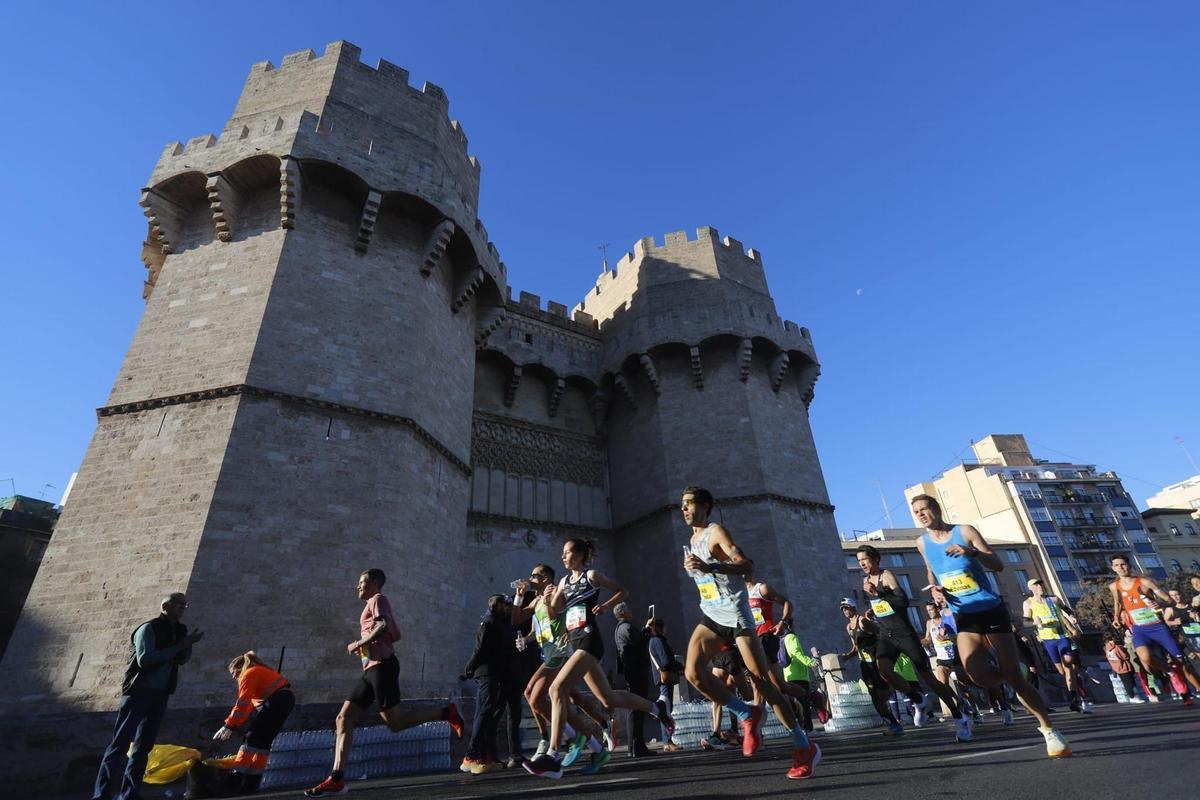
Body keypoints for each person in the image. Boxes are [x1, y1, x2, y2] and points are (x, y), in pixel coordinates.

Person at [912, 494, 1071, 758]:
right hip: (964, 615)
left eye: (924, 509)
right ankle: (1011, 672)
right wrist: (936, 590)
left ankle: (1049, 729)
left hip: (989, 608)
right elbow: (931, 569)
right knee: (977, 675)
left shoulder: (964, 531)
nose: (920, 515)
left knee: (1017, 681)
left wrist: (972, 552)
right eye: (916, 512)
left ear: (936, 509)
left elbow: (998, 564)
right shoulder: (922, 543)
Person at [678, 486, 820, 780]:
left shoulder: (716, 532)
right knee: (692, 673)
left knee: (763, 683)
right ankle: (746, 713)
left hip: (737, 616)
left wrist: (710, 565)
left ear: (705, 506)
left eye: (689, 504)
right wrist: (697, 568)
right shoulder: (691, 540)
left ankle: (804, 745)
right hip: (712, 615)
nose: (684, 509)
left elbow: (746, 565)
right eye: (681, 505)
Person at [305, 569, 463, 797]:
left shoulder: (378, 599)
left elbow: (384, 627)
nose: (357, 586)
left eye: (362, 582)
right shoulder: (371, 603)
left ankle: (446, 713)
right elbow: (392, 632)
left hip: (383, 666)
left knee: (395, 723)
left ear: (375, 584)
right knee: (343, 718)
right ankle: (336, 778)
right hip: (371, 669)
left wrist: (359, 642)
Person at [523, 539, 673, 779]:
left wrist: (604, 606)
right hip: (573, 641)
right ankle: (658, 708)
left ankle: (552, 756)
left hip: (590, 640)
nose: (563, 557)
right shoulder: (562, 582)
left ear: (581, 555)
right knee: (608, 697)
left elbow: (623, 591)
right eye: (562, 553)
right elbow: (554, 614)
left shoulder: (591, 575)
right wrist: (550, 599)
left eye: (568, 552)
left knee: (556, 689)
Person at [93, 592, 204, 800]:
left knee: (143, 748)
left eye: (185, 605)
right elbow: (146, 660)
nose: (183, 608)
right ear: (166, 605)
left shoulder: (180, 630)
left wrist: (187, 645)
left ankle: (130, 794)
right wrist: (180, 645)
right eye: (179, 604)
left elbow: (180, 660)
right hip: (139, 691)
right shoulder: (148, 628)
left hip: (161, 693)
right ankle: (101, 795)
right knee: (119, 745)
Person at [856, 544, 969, 740]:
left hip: (904, 634)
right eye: (859, 561)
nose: (862, 564)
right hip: (885, 635)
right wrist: (874, 610)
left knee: (930, 679)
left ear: (875, 559)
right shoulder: (866, 582)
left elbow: (903, 601)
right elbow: (884, 606)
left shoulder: (887, 576)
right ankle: (917, 698)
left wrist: (880, 594)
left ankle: (960, 717)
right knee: (884, 671)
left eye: (865, 559)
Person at [511, 565, 609, 772]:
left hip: (561, 652)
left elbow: (557, 614)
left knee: (534, 695)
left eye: (534, 575)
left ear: (545, 578)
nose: (530, 578)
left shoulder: (555, 592)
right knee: (559, 699)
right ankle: (594, 745)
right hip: (548, 654)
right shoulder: (536, 600)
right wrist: (519, 598)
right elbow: (516, 620)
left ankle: (559, 740)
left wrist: (551, 604)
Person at [197, 651, 295, 795]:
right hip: (285, 701)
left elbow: (242, 702)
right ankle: (252, 783)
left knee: (251, 739)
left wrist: (229, 725)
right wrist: (233, 725)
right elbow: (248, 705)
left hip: (277, 702)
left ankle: (234, 781)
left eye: (233, 672)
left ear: (240, 667)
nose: (233, 676)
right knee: (263, 743)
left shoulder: (248, 674)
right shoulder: (260, 671)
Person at [1108, 555, 1200, 703]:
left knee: (1180, 661)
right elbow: (1117, 603)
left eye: (1123, 564)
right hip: (1139, 629)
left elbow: (1168, 599)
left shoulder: (1144, 582)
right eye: (1117, 565)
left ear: (1129, 566)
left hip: (1158, 627)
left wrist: (1159, 605)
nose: (1121, 568)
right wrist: (1116, 618)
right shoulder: (1114, 586)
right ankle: (1170, 672)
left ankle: (1189, 692)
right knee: (1145, 659)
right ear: (1113, 568)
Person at [459, 594, 516, 775]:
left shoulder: (501, 623)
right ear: (498, 606)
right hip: (486, 673)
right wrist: (469, 668)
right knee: (483, 712)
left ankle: (485, 755)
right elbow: (480, 649)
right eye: (506, 604)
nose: (509, 607)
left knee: (486, 713)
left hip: (495, 673)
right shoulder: (489, 622)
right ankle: (471, 755)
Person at [1022, 578, 1090, 713]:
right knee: (1062, 671)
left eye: (1041, 584)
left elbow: (1067, 609)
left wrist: (1071, 617)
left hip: (1062, 637)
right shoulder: (1028, 603)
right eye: (1036, 585)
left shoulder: (1053, 599)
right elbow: (1025, 622)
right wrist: (1034, 621)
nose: (1040, 586)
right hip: (1048, 640)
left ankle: (1075, 699)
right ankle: (1075, 685)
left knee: (1068, 668)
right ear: (1031, 588)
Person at [838, 599, 904, 734]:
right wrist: (847, 656)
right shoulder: (849, 627)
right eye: (843, 609)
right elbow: (856, 647)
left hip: (876, 661)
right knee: (874, 695)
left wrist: (879, 650)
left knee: (883, 693)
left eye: (846, 608)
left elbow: (882, 634)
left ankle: (909, 696)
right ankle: (893, 723)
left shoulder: (862, 621)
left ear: (853, 608)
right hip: (865, 664)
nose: (845, 611)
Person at [613, 603, 654, 757]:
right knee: (637, 707)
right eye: (628, 609)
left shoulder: (620, 628)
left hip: (631, 671)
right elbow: (640, 641)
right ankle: (637, 746)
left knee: (634, 708)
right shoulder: (627, 627)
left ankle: (635, 746)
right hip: (636, 671)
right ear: (623, 612)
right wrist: (648, 630)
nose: (631, 611)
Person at [778, 620, 828, 730]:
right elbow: (796, 653)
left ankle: (802, 729)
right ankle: (808, 729)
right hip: (799, 676)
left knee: (798, 704)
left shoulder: (783, 638)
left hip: (789, 675)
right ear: (790, 626)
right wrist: (811, 662)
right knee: (804, 704)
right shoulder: (791, 637)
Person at [647, 617, 682, 751]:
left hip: (661, 678)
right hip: (664, 678)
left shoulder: (652, 641)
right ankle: (668, 742)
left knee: (666, 708)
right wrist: (680, 667)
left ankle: (668, 741)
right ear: (661, 628)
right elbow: (666, 661)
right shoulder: (658, 641)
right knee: (665, 709)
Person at [1103, 633, 1143, 702]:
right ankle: (1133, 697)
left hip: (1117, 668)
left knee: (1125, 683)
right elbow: (1125, 656)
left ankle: (1132, 697)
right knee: (1130, 683)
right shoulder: (1116, 647)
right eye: (1112, 639)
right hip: (1124, 667)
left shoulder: (1106, 649)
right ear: (1110, 640)